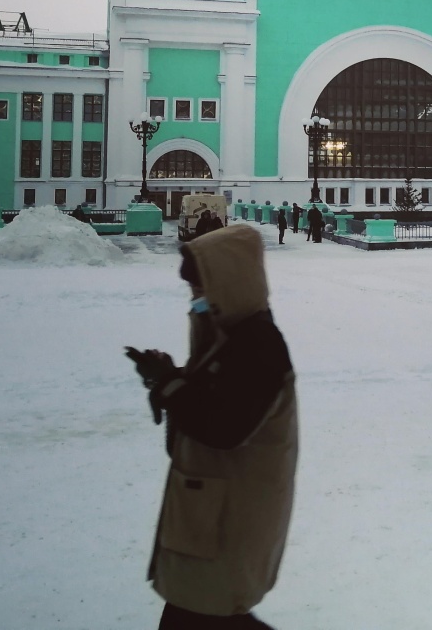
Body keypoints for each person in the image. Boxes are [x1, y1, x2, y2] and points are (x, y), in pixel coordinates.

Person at [125, 225, 298, 630]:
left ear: (228, 281)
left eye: (201, 287)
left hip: (227, 516)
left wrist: (171, 386)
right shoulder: (231, 335)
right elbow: (216, 395)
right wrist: (168, 377)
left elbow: (223, 428)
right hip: (211, 513)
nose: (196, 299)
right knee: (206, 611)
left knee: (202, 612)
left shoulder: (258, 344)